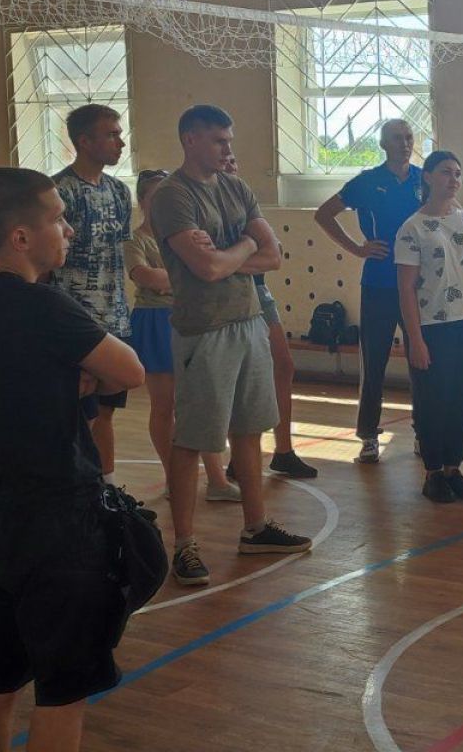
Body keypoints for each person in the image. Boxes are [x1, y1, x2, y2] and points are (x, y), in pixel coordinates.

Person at [0, 167, 146, 752]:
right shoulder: (45, 307)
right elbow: (128, 370)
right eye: (57, 218)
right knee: (61, 692)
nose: (69, 229)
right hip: (56, 520)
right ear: (21, 237)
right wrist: (76, 375)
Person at [150, 104, 311, 587]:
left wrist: (229, 253)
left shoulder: (237, 188)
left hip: (249, 320)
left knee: (249, 429)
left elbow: (274, 256)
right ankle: (184, 544)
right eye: (219, 141)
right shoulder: (172, 196)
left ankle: (255, 528)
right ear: (190, 140)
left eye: (229, 140)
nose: (228, 150)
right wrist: (244, 246)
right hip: (203, 329)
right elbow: (207, 269)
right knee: (193, 439)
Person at [125, 169, 242, 501]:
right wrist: (189, 272)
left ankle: (217, 480)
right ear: (143, 202)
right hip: (155, 321)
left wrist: (190, 271)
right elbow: (146, 277)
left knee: (200, 402)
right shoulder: (136, 240)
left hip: (192, 316)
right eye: (156, 197)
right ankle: (173, 478)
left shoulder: (188, 234)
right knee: (165, 405)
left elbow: (212, 264)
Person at [312, 119, 422, 464]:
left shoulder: (425, 179)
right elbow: (324, 214)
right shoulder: (366, 181)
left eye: (408, 137)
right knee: (374, 362)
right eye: (396, 138)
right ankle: (369, 437)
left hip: (418, 286)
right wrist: (357, 248)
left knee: (421, 360)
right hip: (379, 284)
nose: (404, 143)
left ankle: (424, 431)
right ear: (383, 144)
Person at [397, 151, 463, 503]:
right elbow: (406, 289)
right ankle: (433, 472)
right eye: (445, 172)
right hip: (433, 327)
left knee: (459, 399)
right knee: (433, 400)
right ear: (427, 176)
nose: (453, 179)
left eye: (458, 173)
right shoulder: (412, 228)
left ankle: (454, 468)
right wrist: (415, 339)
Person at [49, 104, 134, 478]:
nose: (121, 142)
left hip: (114, 317)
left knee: (106, 411)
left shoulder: (119, 191)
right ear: (84, 141)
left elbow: (118, 250)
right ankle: (75, 487)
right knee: (78, 411)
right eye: (112, 135)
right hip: (74, 318)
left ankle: (107, 488)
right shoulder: (59, 191)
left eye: (119, 134)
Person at [222, 153, 315, 480]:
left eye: (234, 159)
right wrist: (244, 254)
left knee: (283, 365)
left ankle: (283, 451)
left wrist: (232, 260)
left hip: (259, 291)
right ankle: (240, 455)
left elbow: (273, 254)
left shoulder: (245, 201)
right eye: (224, 158)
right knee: (240, 377)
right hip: (228, 297)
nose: (231, 164)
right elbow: (210, 263)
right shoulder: (207, 206)